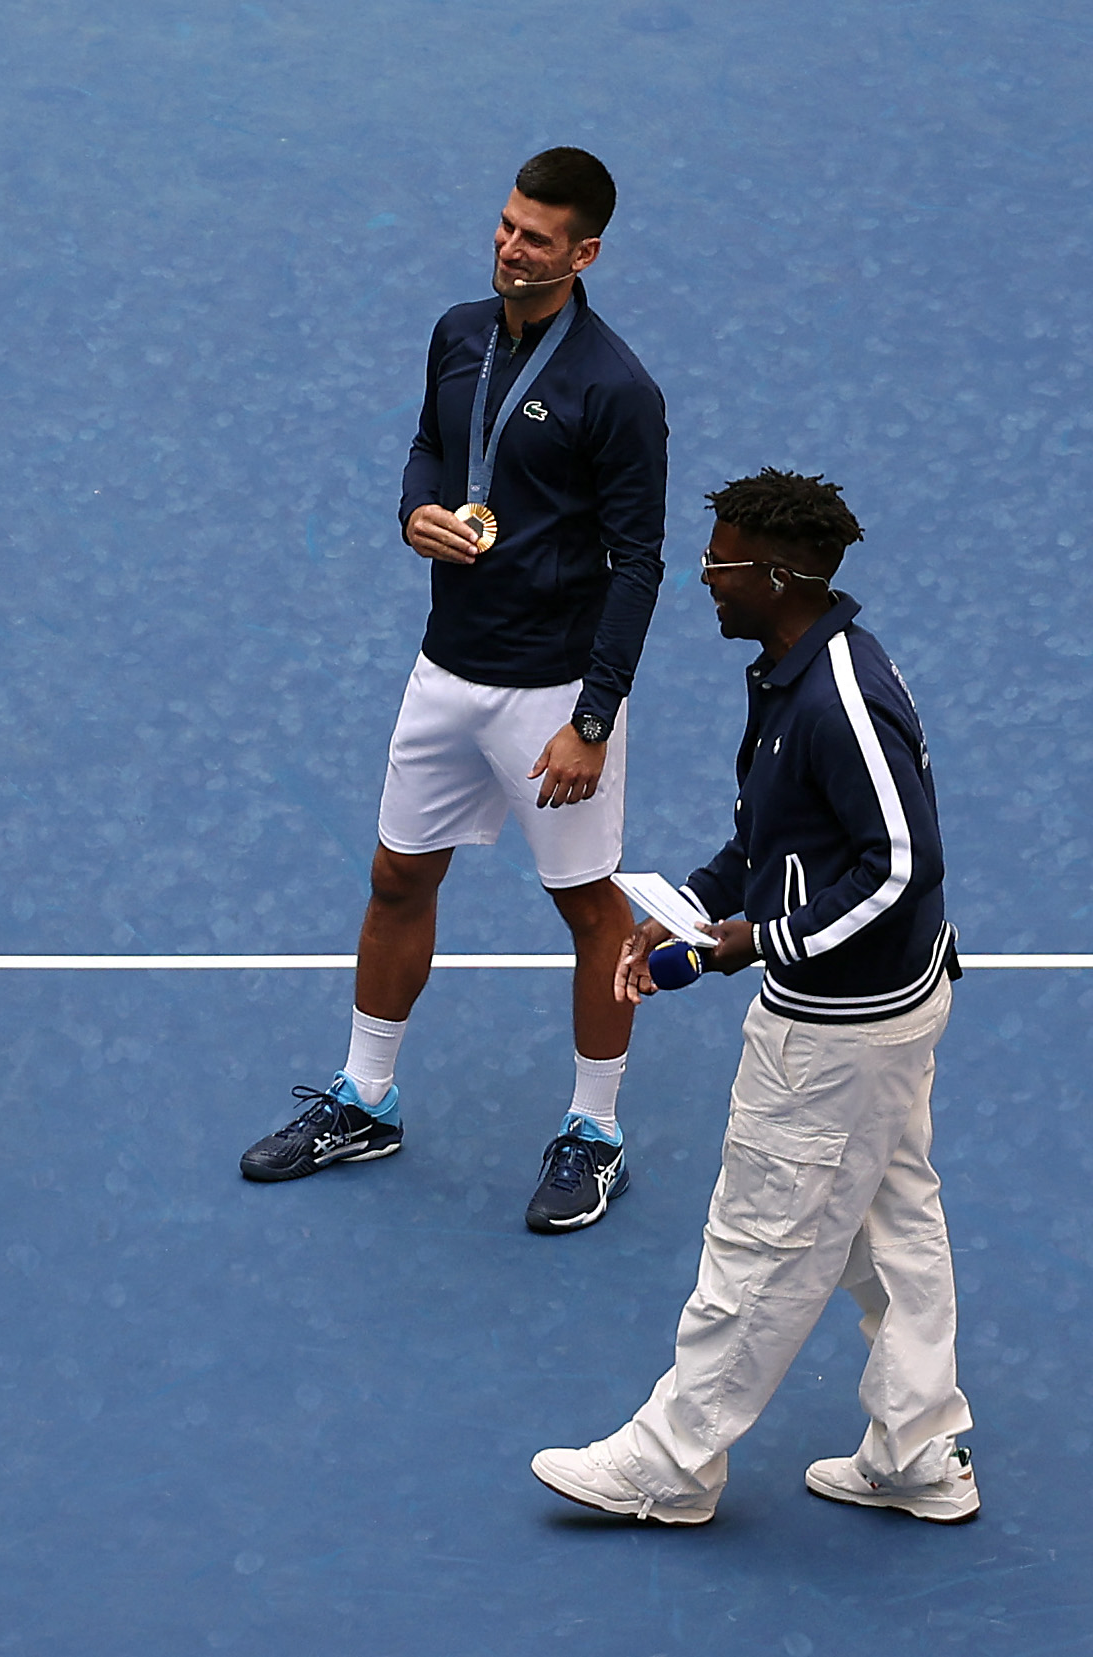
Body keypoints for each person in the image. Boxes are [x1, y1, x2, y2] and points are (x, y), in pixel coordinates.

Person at [532, 470, 975, 1525]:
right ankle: (917, 1449)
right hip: (878, 1005)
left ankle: (671, 1467)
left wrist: (753, 943)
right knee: (887, 1222)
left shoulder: (839, 697)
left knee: (761, 1240)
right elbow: (775, 840)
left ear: (776, 576)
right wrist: (690, 909)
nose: (704, 578)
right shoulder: (794, 668)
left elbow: (900, 863)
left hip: (838, 1026)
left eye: (720, 563)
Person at [241, 148, 669, 1233]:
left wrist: (591, 721)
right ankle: (365, 1097)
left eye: (534, 237)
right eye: (503, 224)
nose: (508, 246)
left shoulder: (617, 391)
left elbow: (637, 565)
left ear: (585, 254)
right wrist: (413, 510)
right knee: (394, 879)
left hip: (551, 697)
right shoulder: (459, 332)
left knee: (588, 908)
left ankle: (594, 1130)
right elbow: (431, 449)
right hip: (445, 669)